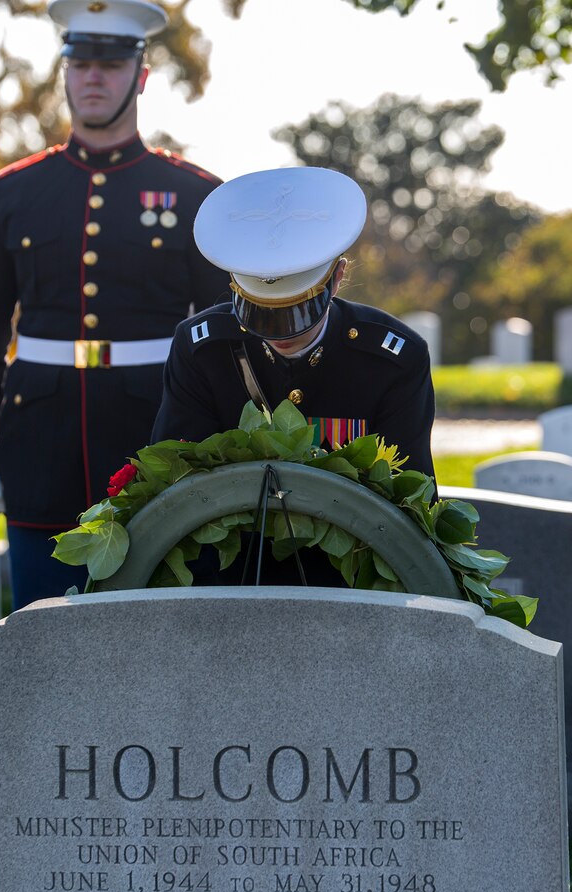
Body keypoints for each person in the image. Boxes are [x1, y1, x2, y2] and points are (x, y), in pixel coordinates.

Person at [0, 0, 230, 610]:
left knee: (160, 630)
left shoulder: (196, 195)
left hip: (158, 444)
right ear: (64, 74)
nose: (94, 77)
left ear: (142, 78)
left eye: (110, 62)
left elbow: (225, 339)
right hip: (36, 446)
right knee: (41, 634)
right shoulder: (12, 194)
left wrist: (224, 449)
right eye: (80, 63)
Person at [150, 166, 436, 587]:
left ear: (337, 277)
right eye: (262, 312)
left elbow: (412, 502)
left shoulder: (393, 358)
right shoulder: (201, 349)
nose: (281, 333)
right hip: (226, 582)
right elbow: (172, 484)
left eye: (296, 311)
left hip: (350, 586)